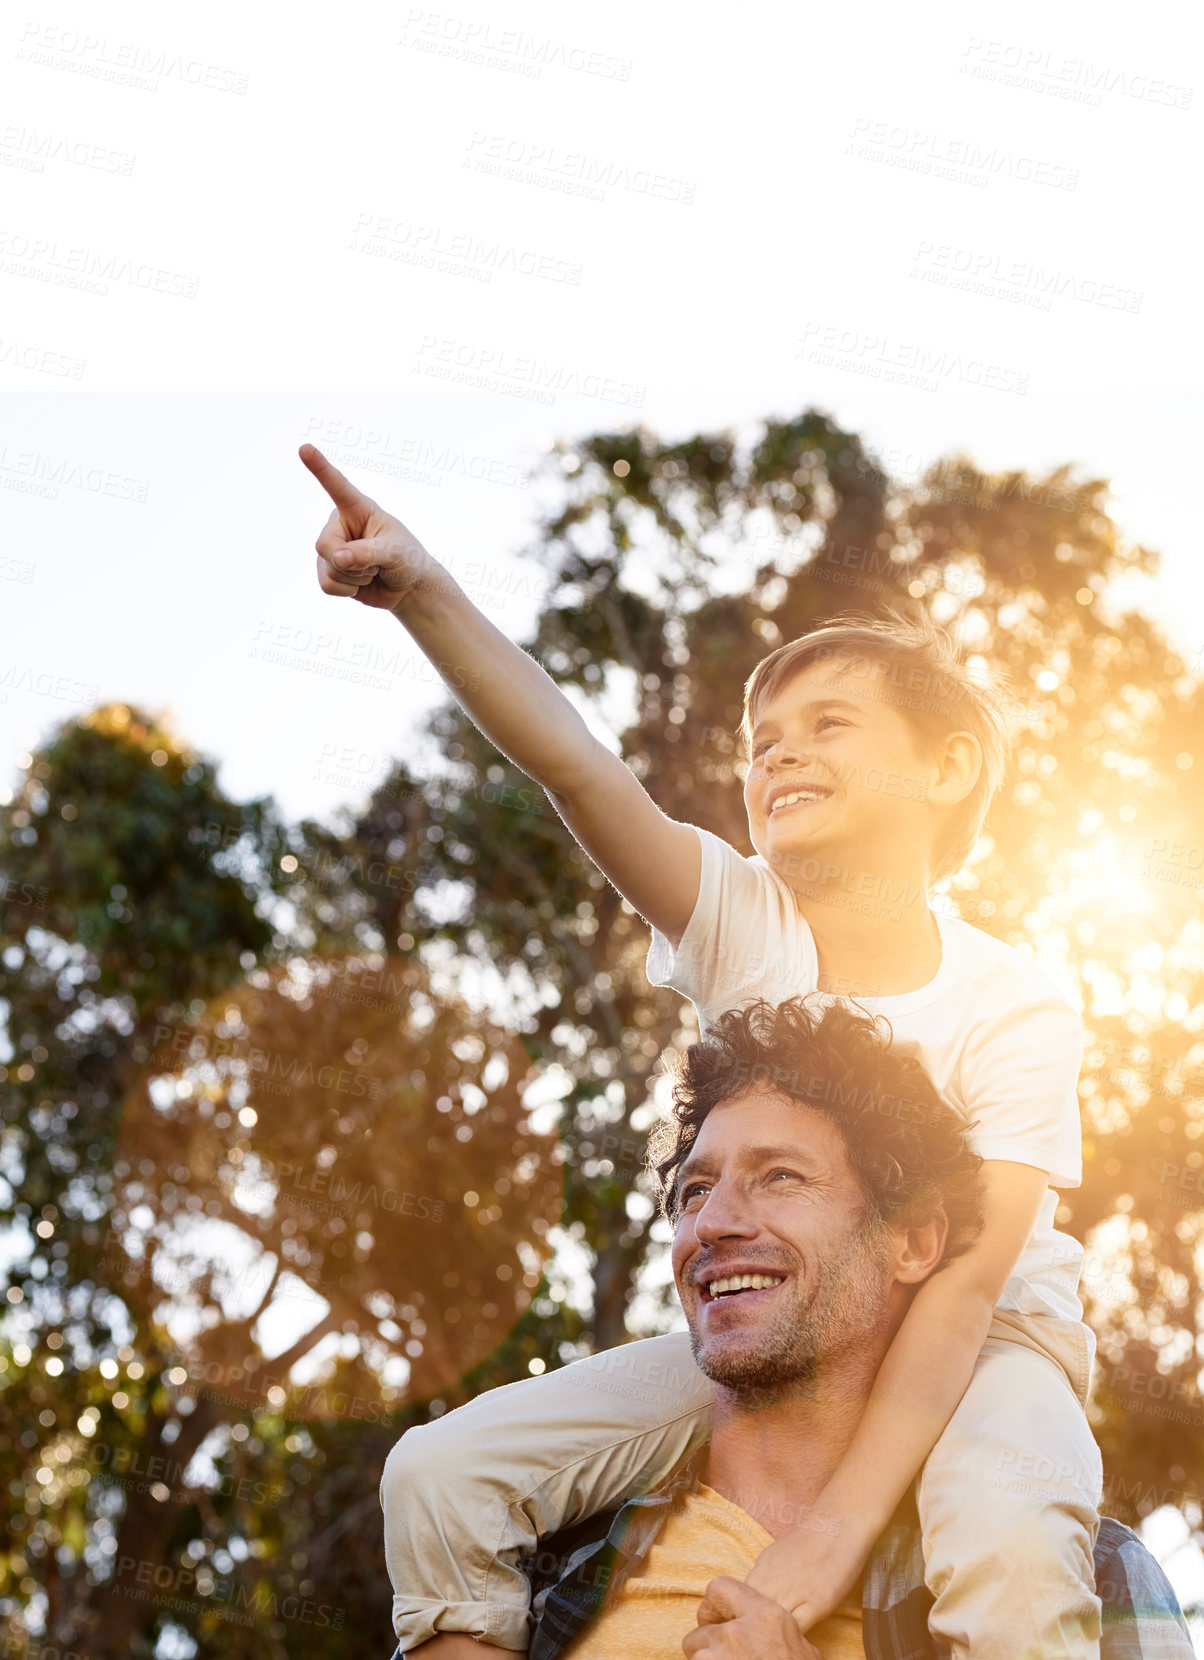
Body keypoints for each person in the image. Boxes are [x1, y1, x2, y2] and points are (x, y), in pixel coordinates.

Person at [300, 446, 1102, 1657]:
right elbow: (572, 762)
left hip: (979, 1336)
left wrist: (823, 1546)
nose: (777, 753)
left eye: (827, 725)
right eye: (760, 738)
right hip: (790, 1314)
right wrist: (420, 587)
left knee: (1007, 1537)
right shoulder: (740, 919)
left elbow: (965, 1285)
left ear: (946, 769)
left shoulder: (1014, 1006)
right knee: (440, 1473)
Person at [383, 1000, 1192, 1659]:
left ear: (914, 1241)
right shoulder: (544, 1564)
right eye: (695, 1191)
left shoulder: (1080, 1582)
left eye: (781, 1177)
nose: (716, 1223)